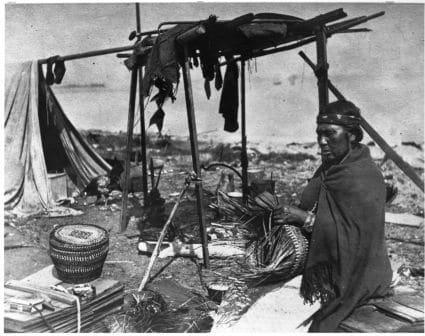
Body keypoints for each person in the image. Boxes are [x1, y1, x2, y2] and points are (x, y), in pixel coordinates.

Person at [275, 100, 393, 332]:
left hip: (359, 271)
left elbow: (355, 239)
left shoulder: (363, 176)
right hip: (331, 259)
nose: (321, 141)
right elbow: (310, 203)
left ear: (351, 136)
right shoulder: (330, 168)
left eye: (329, 134)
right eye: (319, 134)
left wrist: (304, 219)